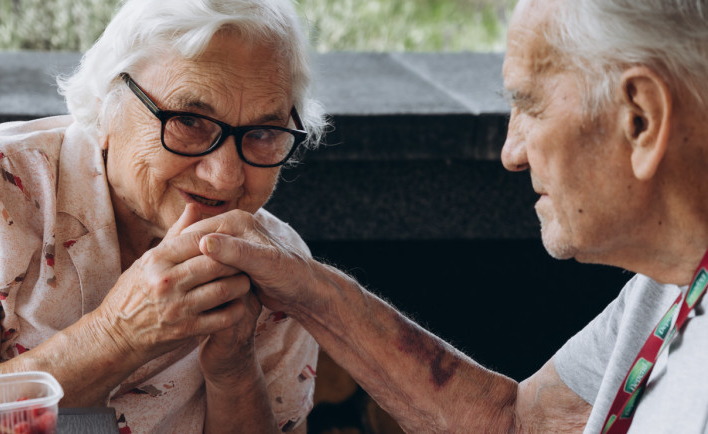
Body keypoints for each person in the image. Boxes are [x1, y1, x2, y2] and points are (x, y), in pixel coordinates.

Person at [186, 0, 708, 432]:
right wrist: (304, 286)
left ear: (641, 118)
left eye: (530, 106)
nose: (511, 152)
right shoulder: (665, 284)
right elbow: (519, 426)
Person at [0, 0, 327, 432]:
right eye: (189, 121)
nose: (226, 177)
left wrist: (234, 368)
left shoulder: (278, 267)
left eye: (263, 133)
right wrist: (118, 335)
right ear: (107, 104)